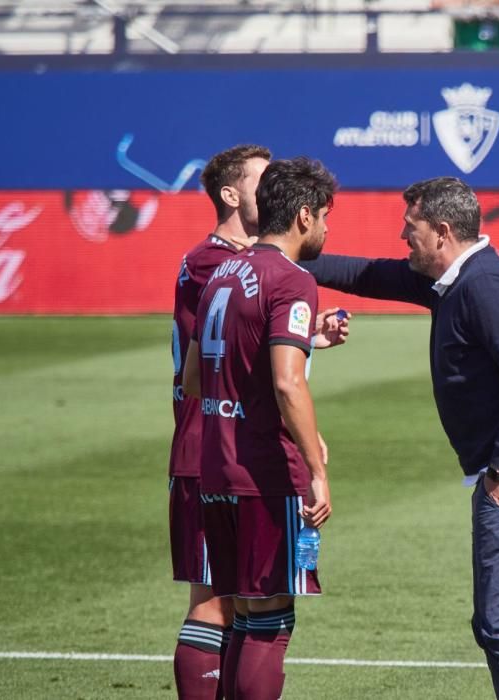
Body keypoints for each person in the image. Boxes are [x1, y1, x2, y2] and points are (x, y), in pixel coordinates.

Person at [300, 176, 499, 700]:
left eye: (412, 228)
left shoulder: (484, 285)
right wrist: (282, 255)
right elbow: (367, 274)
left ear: (443, 232)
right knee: (498, 624)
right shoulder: (452, 278)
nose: (404, 237)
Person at [182, 157, 341, 700]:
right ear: (302, 215)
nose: (326, 228)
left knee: (242, 614)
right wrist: (316, 470)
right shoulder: (292, 279)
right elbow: (288, 384)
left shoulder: (222, 272)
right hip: (266, 473)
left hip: (215, 469)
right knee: (270, 623)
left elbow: (192, 377)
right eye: (324, 216)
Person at [169, 144, 269, 700]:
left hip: (236, 447)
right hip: (207, 446)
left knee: (239, 600)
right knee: (212, 601)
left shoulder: (240, 264)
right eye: (263, 180)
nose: (274, 189)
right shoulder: (214, 261)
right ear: (230, 194)